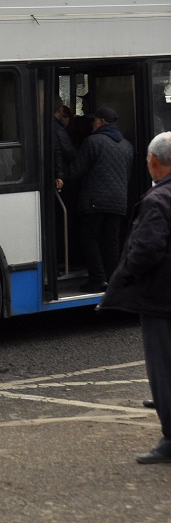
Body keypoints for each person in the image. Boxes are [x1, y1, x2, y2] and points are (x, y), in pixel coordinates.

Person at [98, 132, 171, 463]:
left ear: (154, 162)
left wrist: (123, 277)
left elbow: (146, 248)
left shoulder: (158, 201)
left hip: (161, 300)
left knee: (163, 370)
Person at [57, 107, 133, 292]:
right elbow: (127, 174)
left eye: (94, 121)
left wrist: (61, 176)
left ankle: (97, 279)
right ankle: (112, 278)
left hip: (95, 200)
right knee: (111, 240)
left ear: (102, 122)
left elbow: (76, 170)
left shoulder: (93, 142)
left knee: (89, 237)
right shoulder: (127, 146)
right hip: (119, 201)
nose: (92, 124)